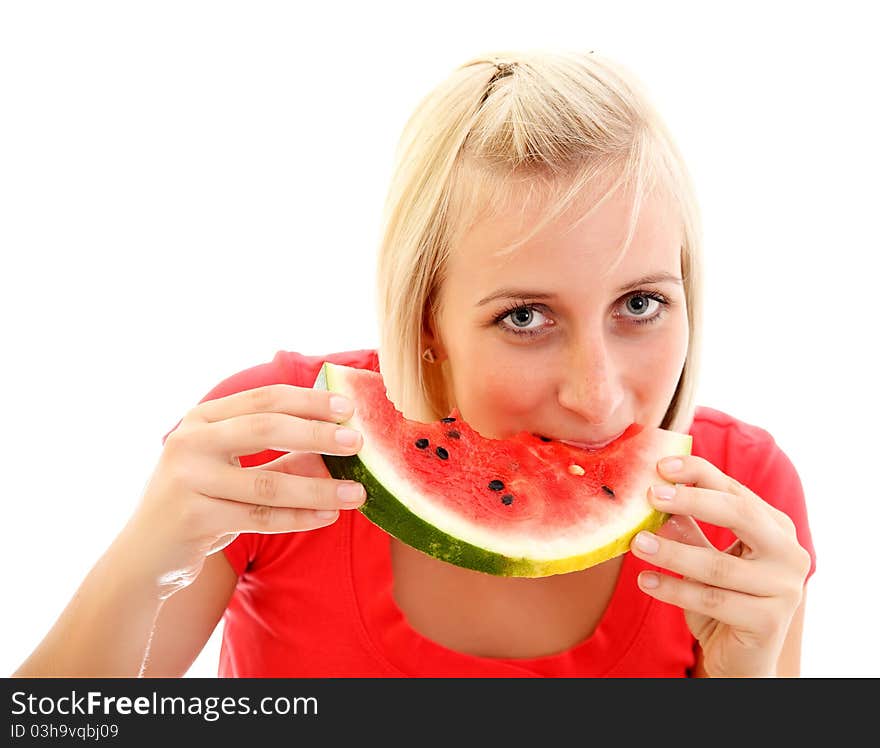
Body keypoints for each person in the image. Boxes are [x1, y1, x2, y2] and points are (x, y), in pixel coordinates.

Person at [13, 50, 815, 678]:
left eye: (640, 305)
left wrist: (749, 689)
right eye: (525, 318)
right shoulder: (284, 440)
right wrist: (147, 553)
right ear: (426, 316)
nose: (597, 395)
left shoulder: (743, 502)